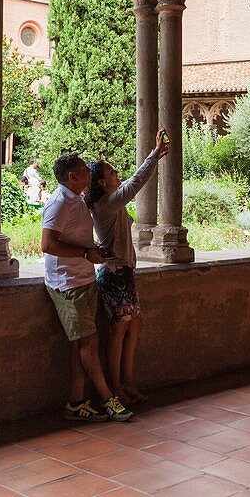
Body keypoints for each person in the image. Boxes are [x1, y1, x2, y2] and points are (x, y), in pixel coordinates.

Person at [41, 152, 133, 422]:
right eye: (84, 169)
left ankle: (76, 402)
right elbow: (47, 245)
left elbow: (78, 237)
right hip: (67, 284)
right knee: (89, 343)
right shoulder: (58, 204)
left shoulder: (78, 200)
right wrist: (85, 253)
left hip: (83, 279)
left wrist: (94, 250)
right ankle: (108, 398)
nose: (89, 172)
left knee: (80, 345)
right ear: (72, 176)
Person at [87, 130, 169, 405]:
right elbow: (136, 183)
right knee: (119, 331)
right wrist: (154, 154)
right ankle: (116, 386)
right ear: (101, 182)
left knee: (133, 327)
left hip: (124, 273)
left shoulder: (111, 204)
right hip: (114, 275)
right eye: (111, 173)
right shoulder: (106, 204)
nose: (116, 173)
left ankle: (128, 380)